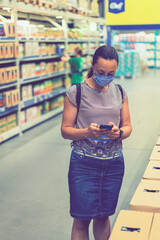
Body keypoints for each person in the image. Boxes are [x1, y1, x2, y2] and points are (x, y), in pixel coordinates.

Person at [61, 45, 132, 240]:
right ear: (92, 65)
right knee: (81, 220)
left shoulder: (120, 91)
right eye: (101, 72)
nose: (106, 77)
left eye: (111, 73)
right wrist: (86, 132)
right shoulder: (76, 92)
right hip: (83, 164)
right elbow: (65, 130)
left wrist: (118, 133)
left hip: (113, 165)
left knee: (103, 216)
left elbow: (127, 126)